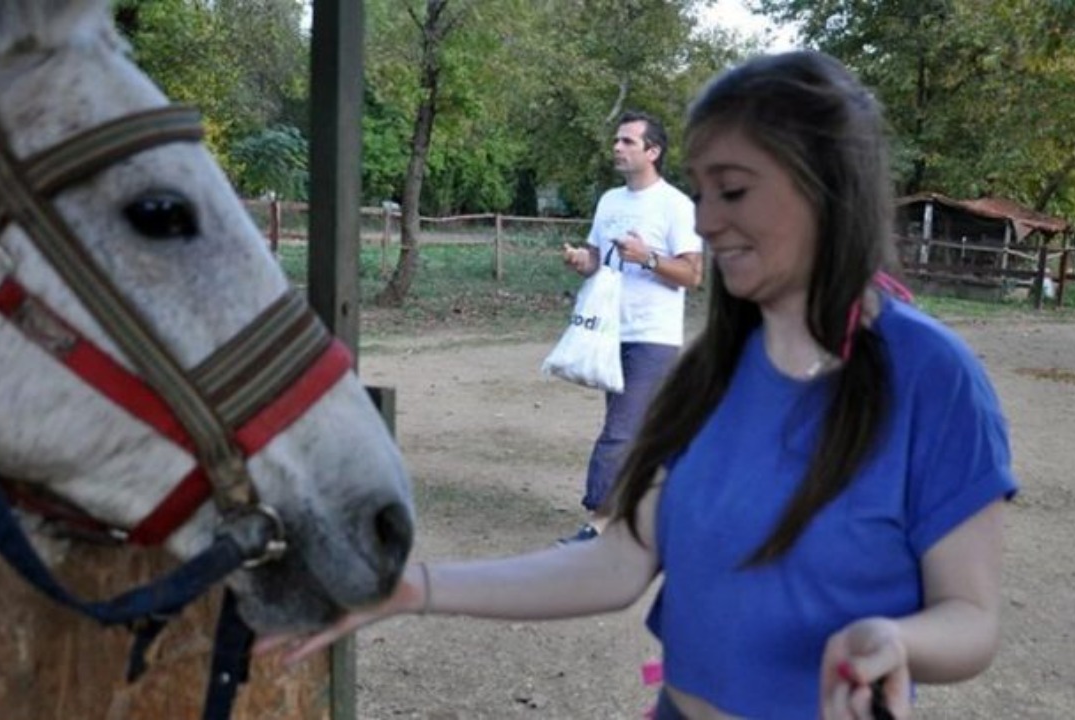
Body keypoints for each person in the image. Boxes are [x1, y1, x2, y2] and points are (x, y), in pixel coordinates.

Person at [257, 51, 1018, 720]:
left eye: (733, 191)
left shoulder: (933, 379)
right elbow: (618, 561)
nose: (707, 222)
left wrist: (894, 639)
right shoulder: (709, 375)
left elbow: (971, 619)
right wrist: (413, 589)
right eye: (703, 192)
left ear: (825, 186)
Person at [558, 110, 704, 543]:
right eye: (616, 141)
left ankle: (599, 525)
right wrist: (581, 260)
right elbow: (596, 258)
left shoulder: (676, 205)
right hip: (609, 331)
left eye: (627, 142)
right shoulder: (609, 201)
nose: (617, 148)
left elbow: (693, 275)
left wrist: (649, 258)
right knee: (637, 429)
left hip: (653, 336)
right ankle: (667, 507)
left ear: (652, 152)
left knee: (620, 431)